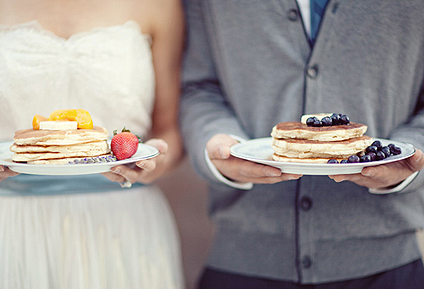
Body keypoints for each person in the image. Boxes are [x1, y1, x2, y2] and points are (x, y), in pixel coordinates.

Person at [180, 0, 424, 288]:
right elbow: (199, 88)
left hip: (388, 267)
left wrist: (409, 151)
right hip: (243, 263)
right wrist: (219, 143)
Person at [0, 0, 185, 288]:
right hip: (15, 225)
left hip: (124, 222)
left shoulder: (160, 6)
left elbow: (170, 132)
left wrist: (156, 162)